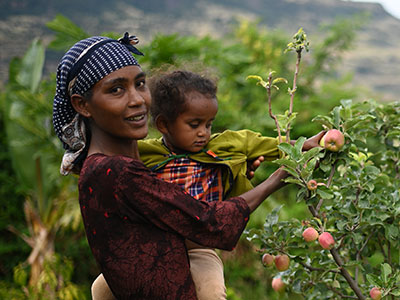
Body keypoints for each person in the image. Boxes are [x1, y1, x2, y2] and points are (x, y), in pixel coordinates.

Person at [52, 33, 323, 300]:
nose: (137, 99)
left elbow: (172, 212)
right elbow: (209, 222)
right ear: (82, 105)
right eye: (116, 89)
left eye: (141, 83)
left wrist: (226, 175)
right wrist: (279, 176)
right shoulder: (117, 173)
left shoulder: (120, 166)